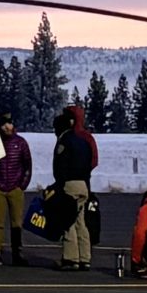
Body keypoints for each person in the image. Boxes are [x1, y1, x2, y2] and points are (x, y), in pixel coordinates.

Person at [49, 102, 99, 271]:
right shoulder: (83, 141)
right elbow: (90, 164)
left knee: (67, 221)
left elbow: (60, 167)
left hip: (70, 184)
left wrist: (58, 185)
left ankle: (71, 258)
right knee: (81, 222)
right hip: (84, 184)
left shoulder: (64, 142)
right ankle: (85, 257)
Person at [0, 114, 33, 265]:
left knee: (16, 223)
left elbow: (27, 166)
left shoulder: (21, 143)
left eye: (9, 123)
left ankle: (17, 253)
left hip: (15, 188)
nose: (7, 127)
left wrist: (21, 186)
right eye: (4, 124)